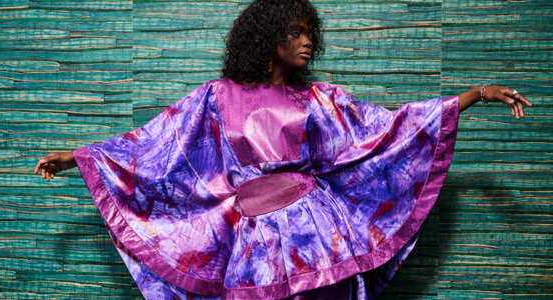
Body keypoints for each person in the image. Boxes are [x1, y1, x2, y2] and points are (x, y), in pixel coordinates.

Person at [34, 0, 531, 299]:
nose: (308, 41)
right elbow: (154, 149)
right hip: (251, 238)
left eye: (310, 32)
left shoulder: (318, 99)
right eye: (295, 32)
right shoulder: (215, 96)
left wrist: (474, 96)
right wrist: (81, 158)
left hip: (316, 231)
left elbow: (390, 128)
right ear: (267, 37)